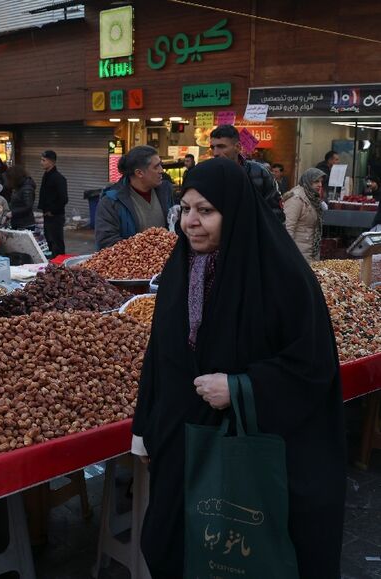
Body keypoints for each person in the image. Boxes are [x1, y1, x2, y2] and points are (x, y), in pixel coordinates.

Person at [132, 158, 345, 579]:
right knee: (174, 544)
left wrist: (242, 387)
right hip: (183, 440)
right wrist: (145, 425)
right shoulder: (178, 268)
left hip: (254, 447)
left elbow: (313, 364)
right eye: (186, 209)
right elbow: (161, 353)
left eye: (206, 211)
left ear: (236, 211)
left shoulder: (283, 276)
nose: (191, 222)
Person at [95, 145, 174, 249]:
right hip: (131, 262)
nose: (161, 170)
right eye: (156, 167)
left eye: (161, 165)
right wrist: (146, 250)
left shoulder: (165, 191)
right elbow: (106, 241)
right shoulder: (111, 201)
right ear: (139, 173)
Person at [209, 124, 284, 221]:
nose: (215, 153)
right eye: (212, 147)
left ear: (238, 147)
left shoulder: (260, 173)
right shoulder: (206, 175)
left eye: (221, 147)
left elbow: (275, 214)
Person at [283, 168, 326, 261]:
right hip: (298, 251)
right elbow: (288, 227)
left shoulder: (313, 197)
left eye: (321, 181)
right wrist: (288, 252)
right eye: (316, 181)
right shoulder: (296, 198)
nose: (320, 185)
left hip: (310, 249)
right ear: (307, 181)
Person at [38, 150, 68, 256]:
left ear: (51, 162)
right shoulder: (46, 176)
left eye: (43, 160)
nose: (41, 162)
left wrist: (52, 211)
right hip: (47, 215)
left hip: (56, 216)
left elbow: (64, 199)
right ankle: (53, 264)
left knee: (57, 242)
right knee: (49, 241)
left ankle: (60, 264)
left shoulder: (58, 178)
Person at [4, 165, 36, 230]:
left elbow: (28, 206)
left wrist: (13, 213)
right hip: (18, 223)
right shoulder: (19, 187)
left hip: (25, 224)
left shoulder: (27, 188)